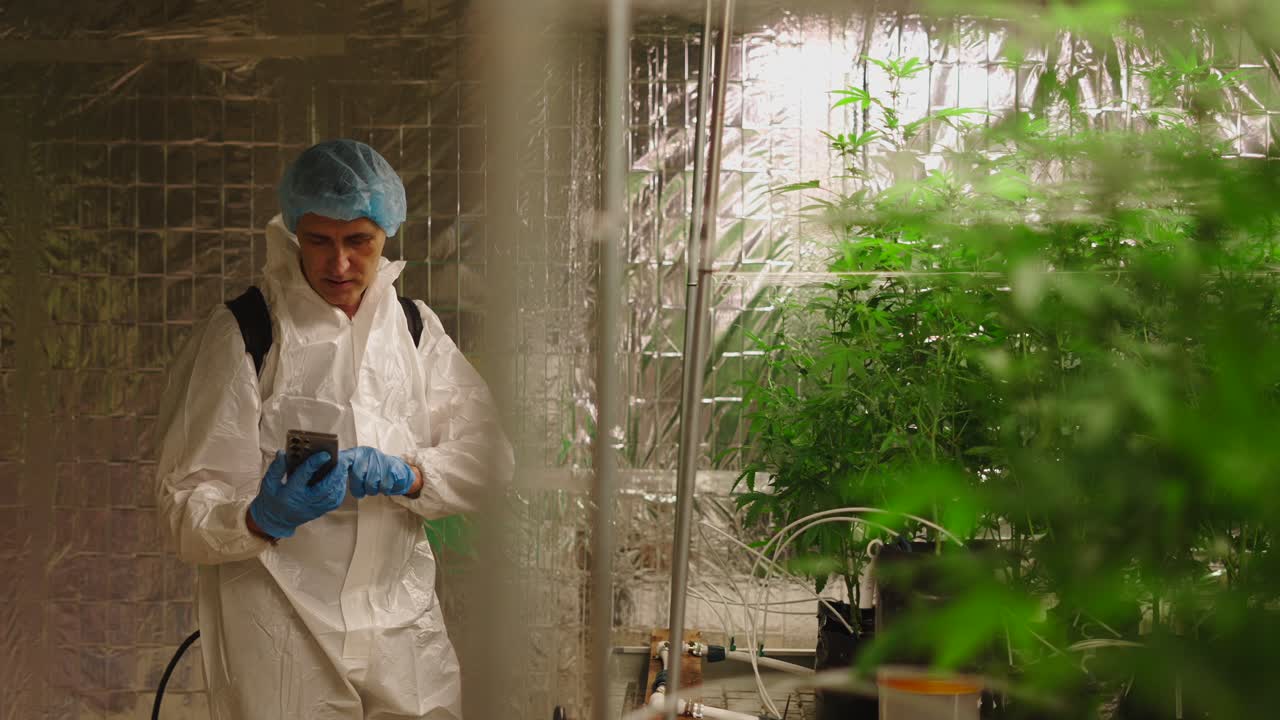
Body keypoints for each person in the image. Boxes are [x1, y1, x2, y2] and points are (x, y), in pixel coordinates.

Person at [155, 139, 512, 719]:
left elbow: (492, 460)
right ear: (295, 232)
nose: (339, 263)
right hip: (282, 631)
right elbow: (183, 505)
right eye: (319, 241)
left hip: (402, 628)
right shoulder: (247, 333)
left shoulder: (415, 331)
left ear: (386, 235)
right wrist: (258, 516)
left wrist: (412, 474)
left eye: (358, 242)